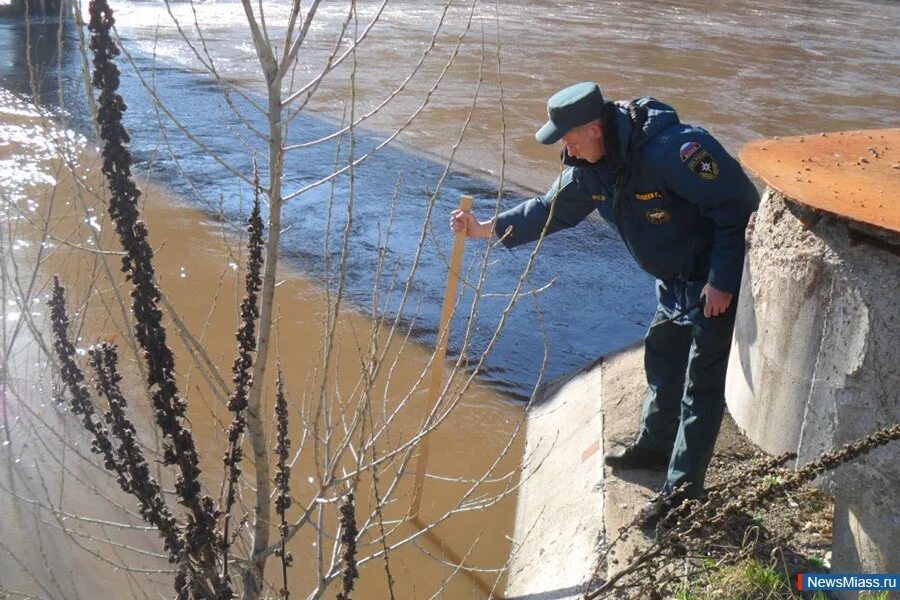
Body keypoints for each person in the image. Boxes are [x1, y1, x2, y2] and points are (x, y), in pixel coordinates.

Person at [451, 81, 759, 526]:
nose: (567, 150)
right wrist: (485, 228)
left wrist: (723, 281)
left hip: (711, 282)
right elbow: (548, 209)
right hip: (672, 282)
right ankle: (653, 449)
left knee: (701, 387)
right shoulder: (590, 167)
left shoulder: (674, 151)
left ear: (595, 128)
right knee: (662, 361)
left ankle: (682, 496)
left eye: (571, 138)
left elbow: (738, 206)